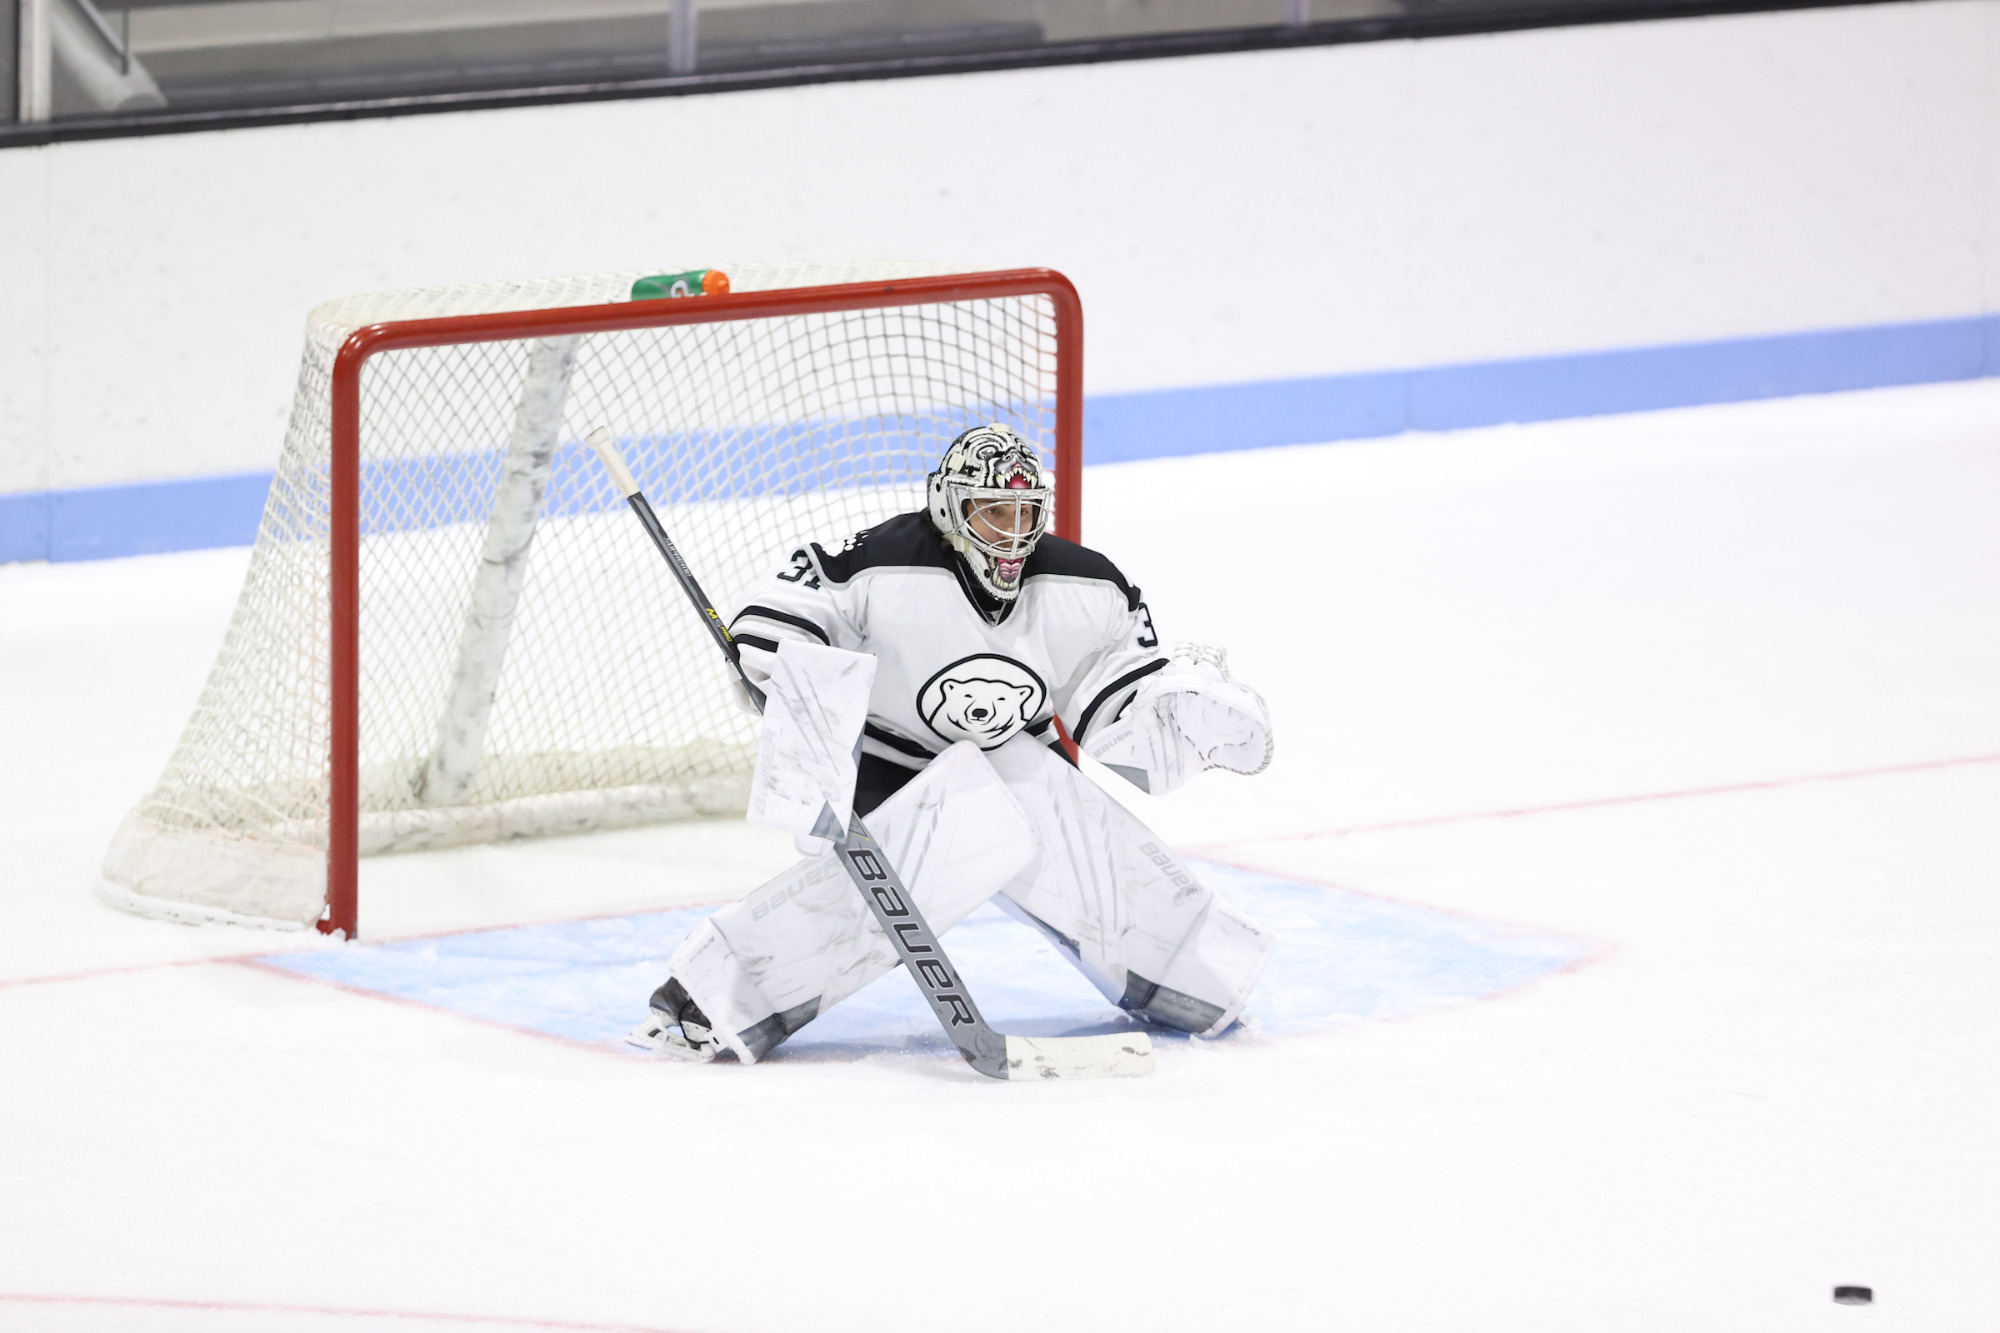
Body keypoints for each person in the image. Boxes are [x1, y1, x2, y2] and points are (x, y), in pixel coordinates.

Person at [640, 423, 1277, 1063]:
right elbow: (789, 607)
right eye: (993, 509)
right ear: (948, 504)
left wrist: (1170, 712)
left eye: (1027, 511)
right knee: (961, 823)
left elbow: (1114, 706)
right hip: (891, 769)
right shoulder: (880, 560)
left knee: (1055, 823)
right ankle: (716, 998)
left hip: (1014, 759)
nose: (1012, 530)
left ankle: (1195, 982)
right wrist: (783, 659)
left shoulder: (1090, 588)